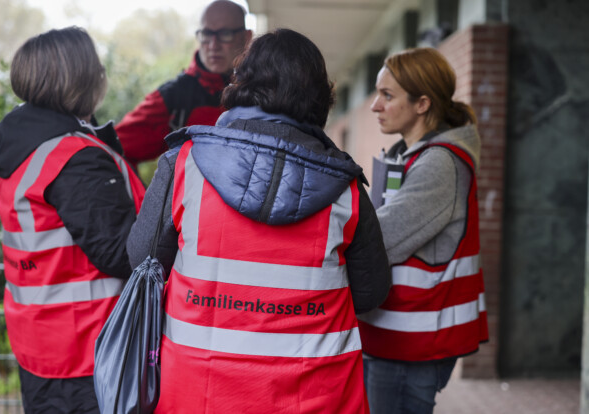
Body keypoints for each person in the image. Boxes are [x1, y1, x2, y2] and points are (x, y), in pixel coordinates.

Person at [127, 28, 392, 413]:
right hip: (316, 392)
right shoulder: (345, 187)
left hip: (196, 389)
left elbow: (143, 260)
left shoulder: (184, 164)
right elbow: (370, 293)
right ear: (320, 96)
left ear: (241, 82)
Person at [0, 27, 145, 413]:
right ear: (81, 77)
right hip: (87, 352)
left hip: (43, 343)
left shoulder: (23, 141)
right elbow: (121, 252)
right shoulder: (71, 155)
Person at [357, 47, 489, 414]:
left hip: (411, 342)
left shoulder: (438, 164)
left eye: (387, 95)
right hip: (401, 336)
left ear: (422, 104)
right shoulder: (414, 154)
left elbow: (378, 239)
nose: (375, 106)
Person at [115, 0, 253, 166]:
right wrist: (139, 192)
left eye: (225, 34)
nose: (213, 45)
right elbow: (115, 147)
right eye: (207, 34)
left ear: (247, 37)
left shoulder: (263, 91)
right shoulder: (174, 97)